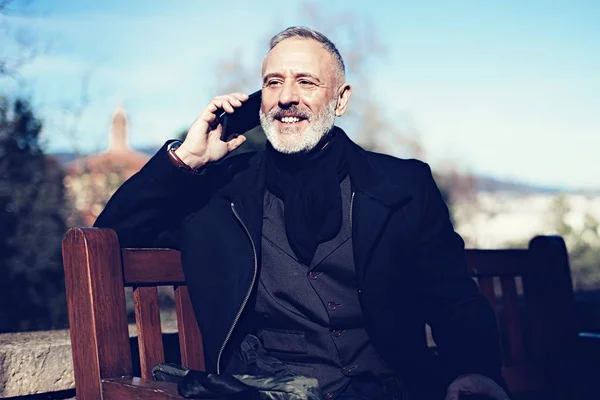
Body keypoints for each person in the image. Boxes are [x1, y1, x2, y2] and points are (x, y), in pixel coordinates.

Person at [95, 27, 509, 400]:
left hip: (389, 389)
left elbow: (451, 294)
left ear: (341, 99)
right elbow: (110, 238)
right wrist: (186, 160)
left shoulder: (403, 186)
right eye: (273, 83)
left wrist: (474, 369)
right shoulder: (219, 191)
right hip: (265, 390)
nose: (287, 97)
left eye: (305, 82)